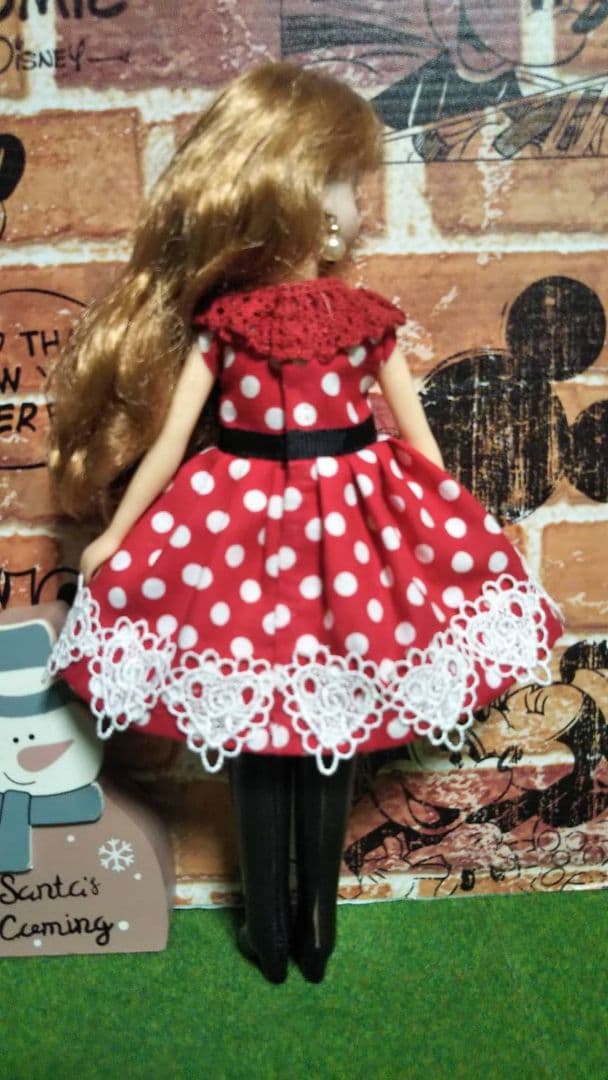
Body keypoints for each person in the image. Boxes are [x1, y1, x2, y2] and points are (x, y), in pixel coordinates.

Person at [45, 62, 563, 984]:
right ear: (304, 199)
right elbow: (171, 441)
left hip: (320, 532)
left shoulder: (359, 322)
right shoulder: (231, 325)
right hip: (252, 532)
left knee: (322, 743)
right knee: (267, 746)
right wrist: (120, 535)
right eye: (349, 187)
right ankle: (277, 924)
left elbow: (420, 444)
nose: (359, 208)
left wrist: (457, 523)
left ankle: (306, 920)